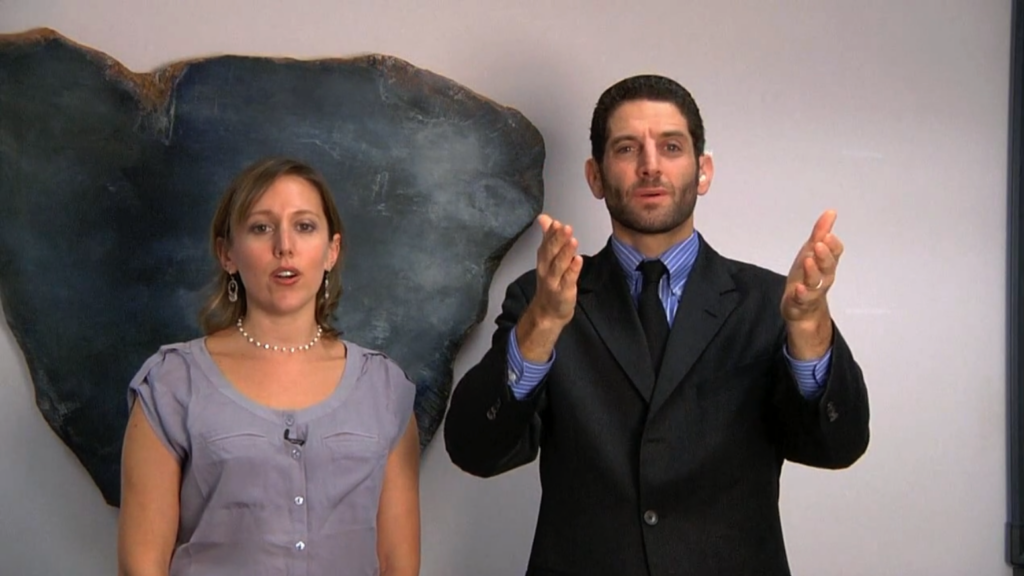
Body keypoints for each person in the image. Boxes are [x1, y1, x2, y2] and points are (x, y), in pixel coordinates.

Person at [443, 75, 870, 576]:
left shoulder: (769, 303)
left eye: (671, 146)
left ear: (703, 171)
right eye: (627, 148)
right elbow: (475, 449)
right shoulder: (541, 301)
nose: (650, 165)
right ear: (596, 176)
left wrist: (809, 329)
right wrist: (540, 328)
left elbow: (839, 446)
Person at [117, 157, 420, 576]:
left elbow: (398, 564)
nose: (284, 246)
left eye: (304, 226)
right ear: (227, 253)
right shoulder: (172, 383)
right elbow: (141, 566)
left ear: (332, 250)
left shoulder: (384, 388)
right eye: (261, 227)